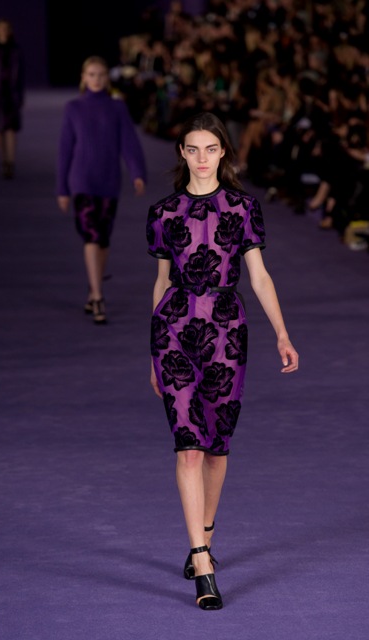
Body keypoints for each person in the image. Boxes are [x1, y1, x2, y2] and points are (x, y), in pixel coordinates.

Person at [147, 112, 298, 610]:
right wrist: (152, 356)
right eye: (193, 149)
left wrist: (282, 333)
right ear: (182, 153)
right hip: (173, 331)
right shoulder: (164, 212)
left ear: (224, 152)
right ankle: (201, 561)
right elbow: (161, 282)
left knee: (216, 446)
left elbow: (260, 276)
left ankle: (206, 535)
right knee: (188, 447)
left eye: (211, 149)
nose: (202, 158)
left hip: (227, 332)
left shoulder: (243, 207)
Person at [57, 56, 147, 324]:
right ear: (83, 78)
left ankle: (93, 288)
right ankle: (97, 295)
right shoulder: (73, 108)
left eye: (101, 74)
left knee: (104, 238)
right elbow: (65, 149)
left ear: (108, 78)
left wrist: (137, 173)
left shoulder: (117, 107)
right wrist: (62, 188)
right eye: (91, 74)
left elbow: (129, 143)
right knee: (92, 236)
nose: (96, 79)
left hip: (108, 180)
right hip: (81, 181)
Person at [0, 18, 24, 179]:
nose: (3, 31)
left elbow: (21, 75)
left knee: (11, 129)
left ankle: (11, 162)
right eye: (0, 28)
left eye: (6, 28)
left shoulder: (16, 50)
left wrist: (21, 95)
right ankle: (3, 161)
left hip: (12, 93)